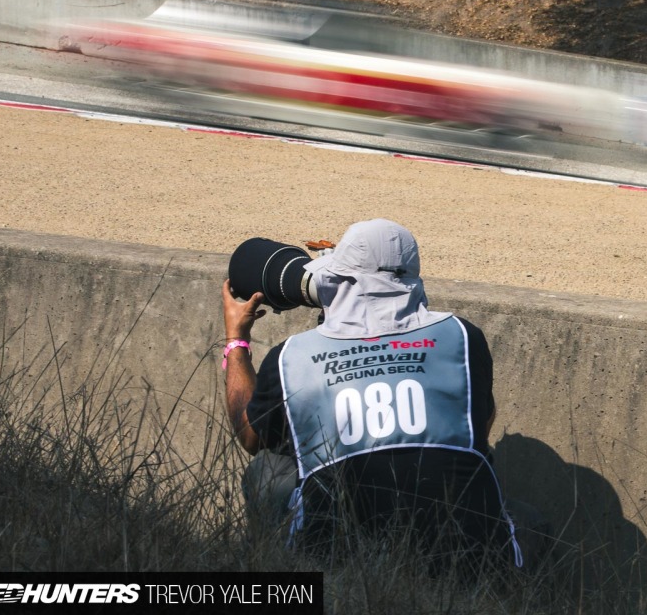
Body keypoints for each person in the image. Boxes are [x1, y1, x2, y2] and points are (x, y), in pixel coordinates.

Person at [221, 219, 522, 571]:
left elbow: (250, 436)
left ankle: (272, 569)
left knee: (268, 470)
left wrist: (236, 340)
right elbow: (478, 429)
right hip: (473, 568)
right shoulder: (462, 336)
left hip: (334, 564)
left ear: (337, 279)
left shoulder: (293, 355)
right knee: (528, 518)